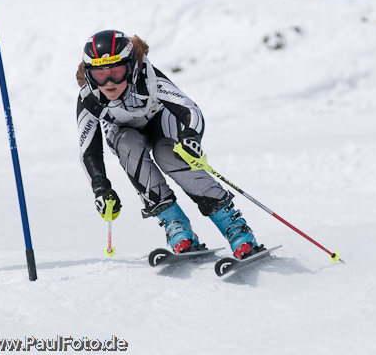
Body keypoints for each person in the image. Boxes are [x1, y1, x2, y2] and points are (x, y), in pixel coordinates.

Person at [76, 30, 264, 259]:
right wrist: (101, 189)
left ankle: (235, 228)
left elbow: (189, 110)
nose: (109, 82)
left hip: (160, 123)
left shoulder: (148, 77)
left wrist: (191, 138)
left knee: (168, 154)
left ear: (131, 67)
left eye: (116, 72)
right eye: (99, 75)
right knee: (128, 147)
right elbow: (89, 151)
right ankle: (176, 225)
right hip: (124, 134)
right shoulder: (88, 98)